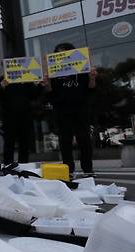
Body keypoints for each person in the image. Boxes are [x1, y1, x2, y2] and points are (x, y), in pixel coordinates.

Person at [44, 43, 97, 176]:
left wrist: (92, 78)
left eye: (66, 53)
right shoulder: (54, 72)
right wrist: (48, 83)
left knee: (84, 139)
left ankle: (88, 169)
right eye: (59, 54)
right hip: (61, 109)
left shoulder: (82, 68)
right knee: (64, 140)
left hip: (81, 107)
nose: (63, 57)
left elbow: (91, 88)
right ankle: (68, 169)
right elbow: (50, 94)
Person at [0, 75, 42, 164]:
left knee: (24, 143)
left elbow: (33, 95)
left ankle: (23, 165)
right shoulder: (2, 79)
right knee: (9, 143)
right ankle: (8, 166)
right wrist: (2, 87)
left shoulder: (25, 77)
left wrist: (40, 86)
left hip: (25, 116)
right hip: (9, 117)